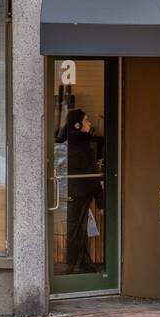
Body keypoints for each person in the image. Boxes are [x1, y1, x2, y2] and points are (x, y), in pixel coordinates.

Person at [59, 108, 103, 273]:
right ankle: (74, 266)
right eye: (86, 120)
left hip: (70, 191)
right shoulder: (82, 145)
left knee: (78, 228)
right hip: (80, 193)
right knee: (78, 229)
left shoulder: (65, 142)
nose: (89, 123)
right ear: (78, 125)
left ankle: (83, 262)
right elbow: (91, 174)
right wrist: (101, 199)